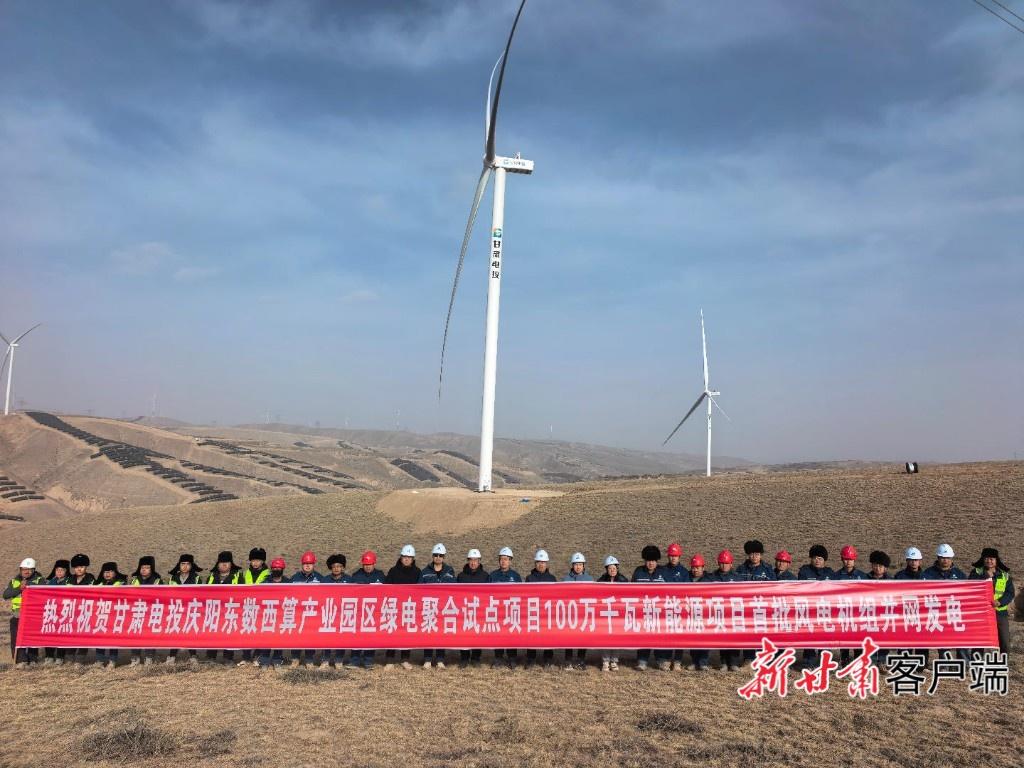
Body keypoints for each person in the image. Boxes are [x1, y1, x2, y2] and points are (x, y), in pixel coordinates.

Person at [924, 544, 968, 661]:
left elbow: (967, 591)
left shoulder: (959, 574)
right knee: (943, 639)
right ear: (938, 558)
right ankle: (944, 664)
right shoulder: (928, 574)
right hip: (937, 612)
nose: (945, 560)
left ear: (951, 558)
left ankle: (964, 663)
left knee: (961, 638)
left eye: (948, 558)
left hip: (955, 612)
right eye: (943, 557)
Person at [969, 548, 1014, 655]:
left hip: (1000, 613)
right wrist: (985, 576)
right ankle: (976, 662)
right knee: (979, 642)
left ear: (996, 560)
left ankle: (1003, 662)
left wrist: (1000, 602)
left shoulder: (1005, 575)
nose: (989, 561)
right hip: (981, 613)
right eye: (987, 558)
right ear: (983, 559)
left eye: (992, 559)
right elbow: (970, 585)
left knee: (1005, 643)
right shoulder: (976, 572)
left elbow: (1010, 593)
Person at [631, 545, 668, 670]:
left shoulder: (663, 573)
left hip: (659, 611)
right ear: (644, 561)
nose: (651, 563)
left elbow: (671, 589)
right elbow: (631, 590)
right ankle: (642, 660)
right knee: (643, 635)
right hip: (643, 611)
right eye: (648, 561)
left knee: (660, 636)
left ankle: (661, 660)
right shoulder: (638, 572)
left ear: (657, 561)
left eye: (653, 561)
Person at [797, 545, 833, 670]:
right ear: (811, 559)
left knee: (825, 636)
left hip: (825, 611)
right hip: (810, 610)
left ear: (824, 560)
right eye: (815, 558)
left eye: (820, 558)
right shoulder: (804, 572)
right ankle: (808, 662)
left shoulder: (830, 573)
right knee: (810, 636)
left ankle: (825, 663)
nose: (817, 560)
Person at [385, 545, 421, 669]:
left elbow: (420, 589)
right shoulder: (393, 571)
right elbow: (386, 587)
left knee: (406, 634)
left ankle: (405, 659)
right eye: (405, 557)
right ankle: (390, 659)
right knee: (392, 632)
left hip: (409, 607)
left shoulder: (417, 572)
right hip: (394, 607)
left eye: (409, 557)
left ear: (413, 559)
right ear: (401, 557)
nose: (406, 559)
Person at [420, 543, 455, 669]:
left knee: (441, 634)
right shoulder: (425, 572)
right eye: (436, 555)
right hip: (429, 607)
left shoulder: (449, 571)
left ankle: (440, 659)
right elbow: (419, 589)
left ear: (444, 557)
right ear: (432, 556)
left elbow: (455, 587)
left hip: (443, 607)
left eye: (440, 555)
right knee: (428, 633)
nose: (438, 557)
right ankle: (428, 659)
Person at [4, 557, 44, 668]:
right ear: (20, 569)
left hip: (33, 615)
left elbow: (43, 590)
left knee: (32, 638)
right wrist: (19, 588)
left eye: (29, 569)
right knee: (17, 639)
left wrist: (29, 585)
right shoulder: (14, 581)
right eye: (24, 569)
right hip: (17, 615)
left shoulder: (40, 580)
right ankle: (20, 661)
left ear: (34, 570)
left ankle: (33, 659)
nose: (26, 571)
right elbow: (6, 595)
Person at [349, 551, 385, 669]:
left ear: (374, 563)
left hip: (374, 611)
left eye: (370, 564)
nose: (368, 567)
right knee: (357, 636)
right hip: (359, 611)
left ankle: (368, 660)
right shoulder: (356, 576)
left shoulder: (380, 576)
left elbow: (386, 591)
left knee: (371, 636)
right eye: (365, 564)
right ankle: (354, 660)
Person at [709, 550, 743, 671]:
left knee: (734, 637)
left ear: (731, 564)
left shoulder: (737, 578)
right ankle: (723, 661)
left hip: (733, 612)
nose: (724, 566)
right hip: (720, 612)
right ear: (718, 563)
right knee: (722, 637)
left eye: (726, 563)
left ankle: (734, 662)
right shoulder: (712, 577)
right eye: (722, 563)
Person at [206, 551, 242, 665]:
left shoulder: (238, 576)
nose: (224, 564)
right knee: (213, 633)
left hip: (230, 610)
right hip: (215, 610)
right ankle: (211, 657)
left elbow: (242, 593)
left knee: (229, 633)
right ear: (218, 564)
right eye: (222, 562)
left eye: (227, 562)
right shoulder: (211, 577)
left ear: (231, 564)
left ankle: (228, 657)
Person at [166, 554, 203, 666]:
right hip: (176, 609)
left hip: (190, 609)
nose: (185, 566)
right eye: (183, 564)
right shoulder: (173, 578)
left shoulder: (196, 578)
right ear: (179, 565)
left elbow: (200, 594)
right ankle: (172, 655)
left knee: (190, 632)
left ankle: (193, 655)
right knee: (175, 632)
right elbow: (168, 593)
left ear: (191, 565)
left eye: (188, 564)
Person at [290, 550, 324, 668]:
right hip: (298, 612)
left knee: (311, 636)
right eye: (305, 563)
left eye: (310, 563)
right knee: (296, 635)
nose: (307, 566)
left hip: (313, 613)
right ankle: (295, 658)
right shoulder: (294, 578)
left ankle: (309, 659)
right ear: (302, 564)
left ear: (314, 564)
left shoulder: (320, 579)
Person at [490, 546, 522, 669]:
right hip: (498, 610)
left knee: (511, 634)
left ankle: (512, 657)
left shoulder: (516, 576)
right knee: (498, 634)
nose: (503, 561)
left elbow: (521, 593)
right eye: (501, 559)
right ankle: (498, 657)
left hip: (511, 610)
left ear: (510, 561)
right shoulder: (493, 575)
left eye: (506, 559)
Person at [525, 549, 557, 669]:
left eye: (543, 562)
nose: (541, 564)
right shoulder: (529, 578)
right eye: (538, 562)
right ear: (535, 563)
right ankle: (531, 658)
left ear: (546, 563)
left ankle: (548, 658)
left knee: (548, 635)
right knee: (531, 635)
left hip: (547, 612)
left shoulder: (552, 579)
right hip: (533, 611)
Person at [457, 548, 489, 668]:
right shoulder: (461, 576)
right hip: (464, 610)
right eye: (471, 560)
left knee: (477, 634)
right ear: (468, 561)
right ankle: (464, 658)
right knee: (464, 634)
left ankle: (476, 657)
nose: (473, 563)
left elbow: (489, 593)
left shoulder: (485, 576)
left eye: (475, 560)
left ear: (479, 561)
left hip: (479, 610)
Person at [129, 555, 163, 666]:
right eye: (142, 567)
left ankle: (149, 657)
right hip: (137, 611)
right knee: (135, 634)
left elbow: (161, 596)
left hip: (151, 612)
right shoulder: (134, 580)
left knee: (149, 635)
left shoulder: (157, 581)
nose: (144, 570)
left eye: (147, 568)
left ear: (151, 569)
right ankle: (135, 657)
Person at [257, 558, 291, 670]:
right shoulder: (265, 582)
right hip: (268, 614)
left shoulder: (288, 583)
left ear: (283, 569)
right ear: (271, 569)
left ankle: (277, 660)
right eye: (274, 568)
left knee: (279, 639)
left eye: (279, 568)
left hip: (281, 615)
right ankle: (264, 660)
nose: (276, 570)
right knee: (266, 638)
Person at [239, 547, 270, 665]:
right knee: (246, 631)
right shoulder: (245, 573)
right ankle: (246, 656)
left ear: (263, 561)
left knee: (260, 632)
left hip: (261, 607)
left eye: (258, 560)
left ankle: (257, 655)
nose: (255, 563)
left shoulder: (268, 574)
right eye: (253, 560)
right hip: (247, 606)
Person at [562, 552, 593, 670]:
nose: (578, 567)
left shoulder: (589, 579)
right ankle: (568, 660)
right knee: (569, 637)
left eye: (580, 564)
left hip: (583, 613)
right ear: (572, 565)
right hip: (570, 613)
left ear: (584, 565)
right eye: (576, 564)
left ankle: (581, 660)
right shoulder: (566, 579)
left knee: (583, 637)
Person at [94, 561, 127, 668]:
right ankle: (99, 660)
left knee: (113, 638)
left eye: (110, 571)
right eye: (105, 572)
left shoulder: (121, 584)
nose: (107, 574)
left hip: (114, 614)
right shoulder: (98, 584)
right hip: (101, 614)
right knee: (100, 637)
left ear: (115, 572)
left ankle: (112, 660)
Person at [663, 542, 690, 670]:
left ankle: (678, 660)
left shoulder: (684, 572)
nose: (673, 558)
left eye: (675, 556)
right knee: (667, 634)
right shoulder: (662, 570)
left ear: (679, 557)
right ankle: (667, 659)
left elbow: (688, 590)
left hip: (680, 607)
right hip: (666, 607)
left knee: (679, 635)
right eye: (671, 556)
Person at [597, 555, 627, 672]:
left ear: (617, 568)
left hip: (618, 613)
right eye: (610, 568)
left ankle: (614, 661)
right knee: (605, 637)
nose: (612, 570)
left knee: (617, 637)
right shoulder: (601, 581)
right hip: (606, 613)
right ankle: (605, 661)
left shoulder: (623, 580)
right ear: (606, 569)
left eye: (614, 568)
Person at [322, 554, 352, 669]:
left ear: (343, 567)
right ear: (331, 568)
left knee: (341, 637)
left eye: (339, 566)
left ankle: (339, 660)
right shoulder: (325, 580)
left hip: (343, 613)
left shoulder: (349, 580)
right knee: (327, 637)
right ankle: (325, 660)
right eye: (334, 566)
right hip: (329, 613)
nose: (336, 569)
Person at [66, 553, 95, 666]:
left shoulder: (91, 579)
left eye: (82, 567)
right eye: (77, 567)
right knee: (70, 635)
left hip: (85, 612)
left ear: (86, 567)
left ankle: (80, 659)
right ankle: (69, 657)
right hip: (72, 611)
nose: (79, 569)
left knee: (83, 636)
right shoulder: (69, 579)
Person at [43, 559, 71, 665]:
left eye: (62, 570)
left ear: (66, 571)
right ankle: (49, 656)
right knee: (49, 634)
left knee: (61, 635)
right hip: (51, 611)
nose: (59, 572)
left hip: (64, 612)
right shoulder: (50, 582)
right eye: (57, 570)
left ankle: (60, 657)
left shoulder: (69, 582)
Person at [866, 550, 892, 666]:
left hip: (884, 613)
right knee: (869, 637)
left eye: (880, 566)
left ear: (885, 568)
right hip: (869, 613)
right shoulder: (865, 579)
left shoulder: (891, 581)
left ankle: (882, 661)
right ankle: (870, 661)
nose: (877, 568)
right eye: (875, 565)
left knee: (884, 637)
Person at [687, 554, 711, 671]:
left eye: (698, 567)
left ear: (703, 567)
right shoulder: (687, 578)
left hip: (704, 613)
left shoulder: (709, 579)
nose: (695, 570)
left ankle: (703, 662)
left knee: (704, 637)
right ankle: (694, 661)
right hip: (691, 612)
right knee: (693, 637)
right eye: (693, 567)